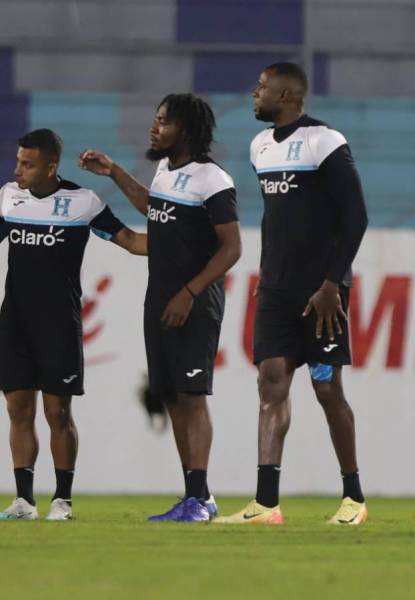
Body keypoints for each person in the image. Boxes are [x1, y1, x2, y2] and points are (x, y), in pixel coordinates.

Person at [215, 62, 368, 526]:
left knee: (326, 387)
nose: (254, 93)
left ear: (285, 95)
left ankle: (353, 498)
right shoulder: (260, 147)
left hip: (322, 294)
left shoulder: (325, 141)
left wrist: (331, 283)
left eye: (261, 87)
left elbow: (355, 216)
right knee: (271, 380)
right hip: (277, 289)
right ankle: (265, 503)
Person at [79, 94, 241, 522]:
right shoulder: (167, 171)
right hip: (160, 299)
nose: (155, 127)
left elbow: (232, 249)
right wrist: (114, 172)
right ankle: (196, 496)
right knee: (171, 397)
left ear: (185, 129)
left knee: (192, 396)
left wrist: (189, 293)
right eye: (155, 119)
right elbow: (153, 208)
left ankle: (199, 498)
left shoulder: (213, 179)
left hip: (194, 302)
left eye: (164, 121)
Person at [0, 128, 146, 520]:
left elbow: (131, 241)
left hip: (59, 325)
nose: (18, 170)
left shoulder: (82, 202)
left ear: (51, 166)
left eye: (27, 164)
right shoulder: (8, 198)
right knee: (18, 411)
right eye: (17, 161)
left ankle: (62, 500)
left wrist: (182, 243)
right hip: (14, 322)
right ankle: (24, 501)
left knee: (58, 414)